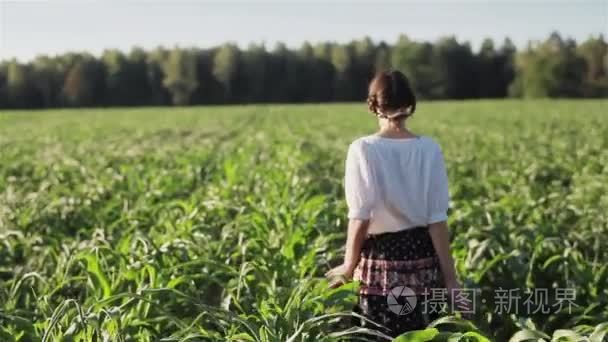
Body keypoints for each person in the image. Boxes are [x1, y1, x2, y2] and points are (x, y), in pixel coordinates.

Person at [325, 70, 463, 337]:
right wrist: (451, 280)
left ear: (374, 105)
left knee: (379, 334)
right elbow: (437, 219)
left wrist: (348, 264)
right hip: (422, 258)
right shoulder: (429, 148)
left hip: (381, 261)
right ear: (410, 104)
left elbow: (361, 215)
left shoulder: (364, 149)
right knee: (424, 333)